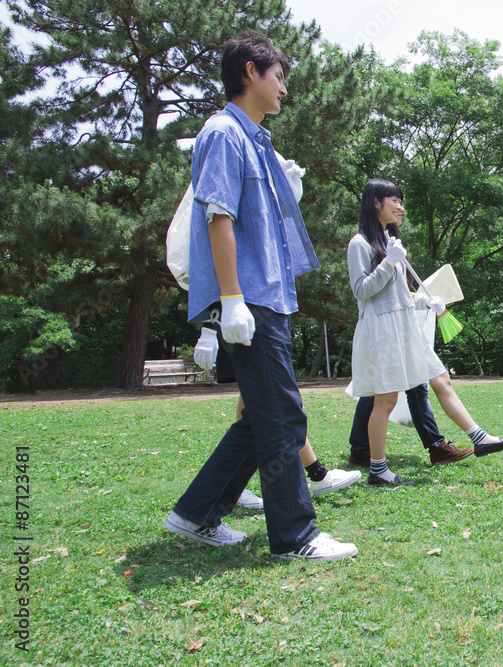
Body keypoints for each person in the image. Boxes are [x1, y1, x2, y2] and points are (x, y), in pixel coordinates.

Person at [163, 30, 355, 561]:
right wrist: (232, 299)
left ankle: (194, 514)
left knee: (261, 417)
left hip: (266, 295)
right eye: (278, 77)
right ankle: (296, 536)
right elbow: (217, 217)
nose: (284, 90)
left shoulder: (254, 139)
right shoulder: (223, 133)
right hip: (249, 299)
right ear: (251, 72)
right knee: (284, 416)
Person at [346, 178, 503, 483]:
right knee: (384, 401)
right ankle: (378, 469)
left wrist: (425, 300)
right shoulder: (360, 244)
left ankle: (479, 438)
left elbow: (397, 295)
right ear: (376, 202)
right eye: (395, 200)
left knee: (442, 379)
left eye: (401, 201)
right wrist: (388, 264)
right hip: (383, 330)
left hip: (406, 325)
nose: (401, 207)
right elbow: (361, 291)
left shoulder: (390, 242)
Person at [192, 325, 361, 509]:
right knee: (279, 403)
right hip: (249, 328)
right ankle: (318, 474)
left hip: (255, 328)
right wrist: (209, 328)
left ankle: (233, 489)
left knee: (258, 402)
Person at [347, 375, 503, 467]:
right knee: (380, 389)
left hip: (409, 324)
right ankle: (364, 453)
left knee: (420, 385)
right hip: (394, 326)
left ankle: (438, 446)